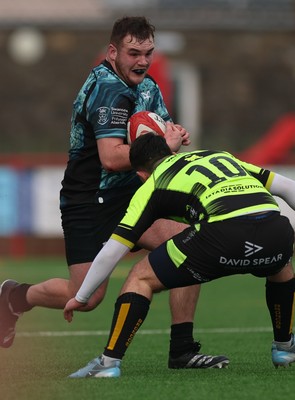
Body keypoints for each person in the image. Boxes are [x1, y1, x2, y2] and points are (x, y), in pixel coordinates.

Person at [0, 16, 227, 369]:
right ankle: (13, 297)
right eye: (133, 53)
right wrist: (164, 145)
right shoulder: (106, 89)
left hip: (129, 195)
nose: (142, 61)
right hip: (88, 200)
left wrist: (175, 137)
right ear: (112, 52)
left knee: (189, 246)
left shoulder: (149, 88)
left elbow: (160, 142)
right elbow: (110, 158)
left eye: (148, 53)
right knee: (86, 297)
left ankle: (182, 350)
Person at [63, 132, 295, 378]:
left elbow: (113, 250)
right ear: (171, 152)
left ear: (140, 174)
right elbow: (287, 188)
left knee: (141, 277)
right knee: (281, 267)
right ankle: (284, 348)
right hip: (277, 233)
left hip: (223, 238)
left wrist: (81, 295)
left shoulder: (152, 183)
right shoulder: (220, 156)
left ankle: (108, 363)